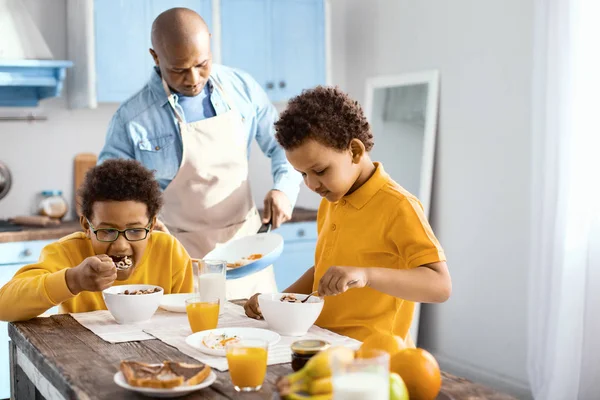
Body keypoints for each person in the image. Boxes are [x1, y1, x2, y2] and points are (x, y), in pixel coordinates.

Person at [98, 7, 301, 298]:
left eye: (202, 64)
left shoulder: (243, 88)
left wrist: (283, 189)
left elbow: (285, 145)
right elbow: (109, 192)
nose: (193, 78)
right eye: (178, 69)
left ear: (209, 42)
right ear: (155, 57)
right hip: (178, 257)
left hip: (248, 251)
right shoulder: (131, 118)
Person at [244, 87, 452, 343]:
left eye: (319, 170)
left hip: (372, 352)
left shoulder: (398, 206)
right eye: (303, 175)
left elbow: (440, 286)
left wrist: (366, 275)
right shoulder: (332, 200)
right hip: (324, 341)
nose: (311, 184)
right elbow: (323, 273)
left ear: (354, 151)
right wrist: (275, 303)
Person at [0, 159, 193, 322]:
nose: (120, 246)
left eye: (135, 230)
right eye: (107, 231)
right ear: (86, 225)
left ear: (151, 226)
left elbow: (184, 317)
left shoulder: (169, 252)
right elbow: (4, 305)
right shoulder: (65, 253)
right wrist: (73, 280)